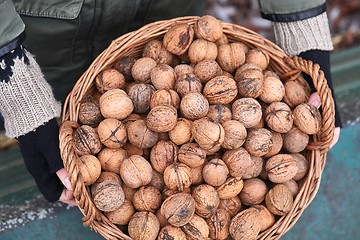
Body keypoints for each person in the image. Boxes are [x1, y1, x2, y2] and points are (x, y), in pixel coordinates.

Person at [0, 0, 342, 206]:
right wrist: (15, 85)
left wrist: (302, 23)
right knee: (61, 127)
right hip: (43, 30)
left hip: (169, 19)